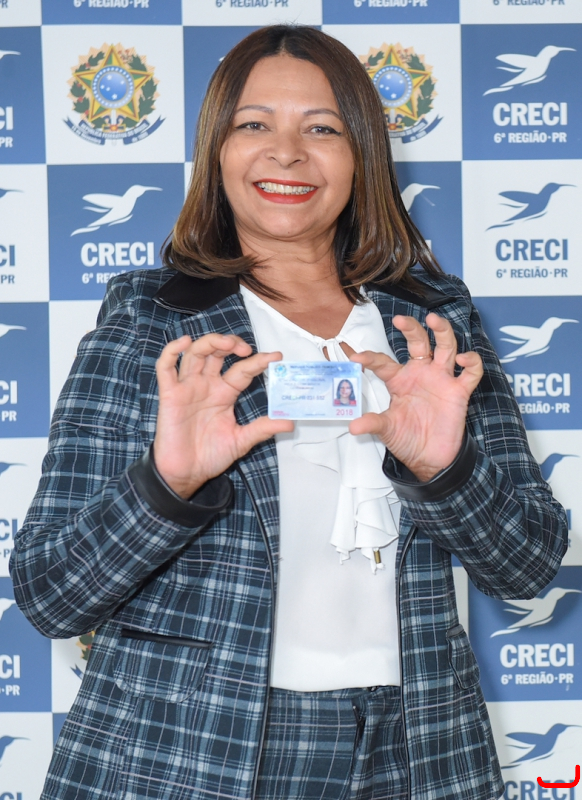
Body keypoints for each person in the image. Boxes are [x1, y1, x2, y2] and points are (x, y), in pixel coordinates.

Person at [11, 25, 567, 800]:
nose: (287, 153)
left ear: (362, 155)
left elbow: (528, 564)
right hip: (189, 751)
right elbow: (50, 594)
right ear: (217, 152)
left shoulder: (436, 321)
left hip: (419, 752)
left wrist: (444, 469)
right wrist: (167, 484)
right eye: (254, 124)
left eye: (322, 129)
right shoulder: (150, 318)